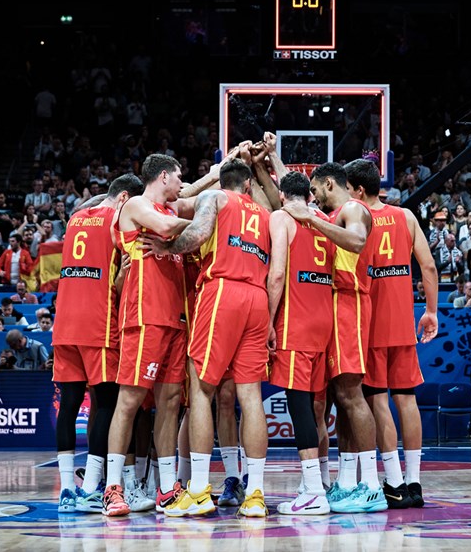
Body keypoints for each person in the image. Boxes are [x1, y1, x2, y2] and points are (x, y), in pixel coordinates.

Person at [141, 158, 272, 519]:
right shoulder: (263, 213)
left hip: (223, 291)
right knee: (251, 394)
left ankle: (198, 489)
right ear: (248, 184)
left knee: (201, 388)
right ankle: (256, 493)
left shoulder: (215, 199)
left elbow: (197, 235)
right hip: (258, 298)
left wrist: (167, 249)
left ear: (224, 181)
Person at [282, 162, 384, 513]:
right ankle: (346, 480)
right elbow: (297, 200)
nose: (312, 197)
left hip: (350, 304)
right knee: (339, 397)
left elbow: (356, 241)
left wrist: (312, 219)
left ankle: (371, 484)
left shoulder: (353, 208)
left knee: (351, 393)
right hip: (332, 305)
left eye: (315, 190)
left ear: (329, 183)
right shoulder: (334, 212)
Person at [102, 154, 194, 518]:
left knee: (170, 401)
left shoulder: (168, 209)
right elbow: (169, 227)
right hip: (144, 315)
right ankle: (112, 488)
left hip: (174, 317)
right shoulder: (138, 204)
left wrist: (216, 177)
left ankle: (167, 489)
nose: (182, 183)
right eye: (180, 177)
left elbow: (186, 203)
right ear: (164, 176)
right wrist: (215, 217)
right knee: (130, 400)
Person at [346, 158, 438, 510]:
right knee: (407, 399)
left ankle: (395, 483)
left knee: (378, 403)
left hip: (370, 326)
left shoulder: (355, 220)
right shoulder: (406, 217)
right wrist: (430, 311)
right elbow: (427, 266)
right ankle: (415, 482)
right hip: (403, 324)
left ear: (357, 190)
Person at [52, 173, 146, 515]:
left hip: (64, 324)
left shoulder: (77, 218)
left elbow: (92, 204)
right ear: (124, 199)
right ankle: (91, 487)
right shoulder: (118, 221)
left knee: (70, 405)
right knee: (106, 403)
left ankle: (65, 490)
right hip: (99, 323)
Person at [262, 171, 336, 515]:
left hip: (296, 320)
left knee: (299, 406)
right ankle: (318, 482)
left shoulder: (281, 216)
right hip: (325, 320)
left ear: (281, 196)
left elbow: (277, 273)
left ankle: (313, 494)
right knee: (317, 408)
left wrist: (267, 321)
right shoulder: (321, 218)